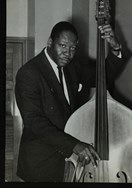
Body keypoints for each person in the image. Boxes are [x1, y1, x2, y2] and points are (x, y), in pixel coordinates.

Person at [15, 21, 125, 182]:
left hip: (69, 163)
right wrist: (74, 145)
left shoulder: (73, 66)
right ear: (50, 42)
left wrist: (115, 48)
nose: (68, 53)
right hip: (41, 164)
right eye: (63, 45)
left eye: (73, 48)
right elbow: (34, 122)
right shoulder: (29, 73)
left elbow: (103, 76)